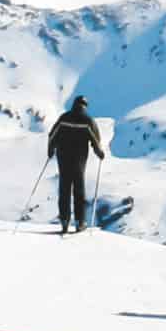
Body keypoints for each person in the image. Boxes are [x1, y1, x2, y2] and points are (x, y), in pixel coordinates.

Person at [46, 96, 105, 234]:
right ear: (85, 106)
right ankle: (80, 222)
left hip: (63, 158)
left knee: (64, 189)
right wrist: (99, 153)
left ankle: (65, 222)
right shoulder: (88, 121)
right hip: (79, 160)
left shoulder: (64, 118)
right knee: (79, 190)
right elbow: (96, 141)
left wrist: (50, 150)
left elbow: (52, 135)